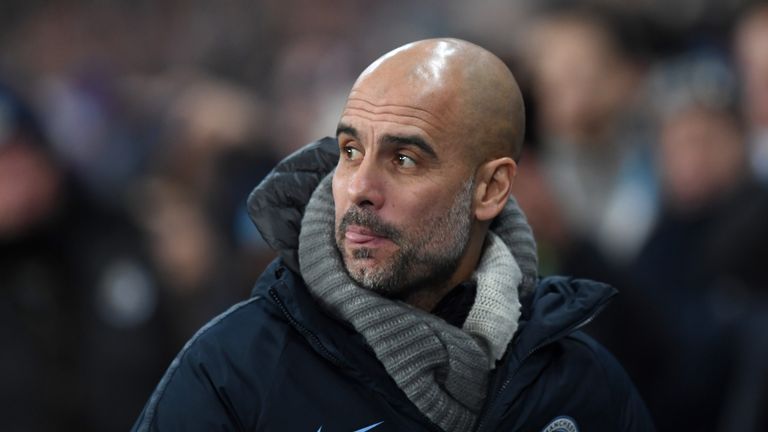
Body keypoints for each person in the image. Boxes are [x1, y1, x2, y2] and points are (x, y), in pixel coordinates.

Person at [132, 38, 653, 431]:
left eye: (404, 159)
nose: (359, 188)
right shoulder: (233, 372)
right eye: (351, 151)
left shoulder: (579, 383)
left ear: (491, 189)